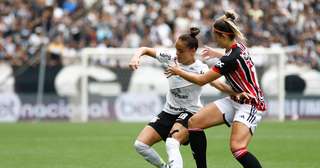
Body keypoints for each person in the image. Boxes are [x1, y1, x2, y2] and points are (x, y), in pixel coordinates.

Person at [129, 27, 244, 168]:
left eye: (181, 51)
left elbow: (218, 85)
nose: (177, 54)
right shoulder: (170, 58)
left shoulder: (200, 68)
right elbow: (145, 49)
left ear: (192, 50)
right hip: (169, 111)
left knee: (172, 142)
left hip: (190, 112)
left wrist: (237, 93)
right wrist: (136, 57)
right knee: (140, 145)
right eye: (176, 49)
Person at [166, 11, 265, 168]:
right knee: (194, 122)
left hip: (251, 103)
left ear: (223, 36)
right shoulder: (237, 47)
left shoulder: (229, 58)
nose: (213, 38)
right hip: (236, 98)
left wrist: (179, 71)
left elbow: (201, 80)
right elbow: (233, 58)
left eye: (215, 35)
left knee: (237, 148)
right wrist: (217, 54)